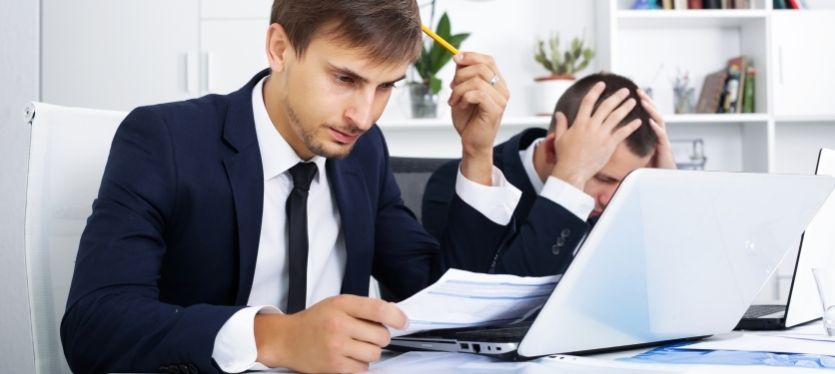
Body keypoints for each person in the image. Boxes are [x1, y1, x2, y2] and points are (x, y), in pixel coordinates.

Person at [59, 1, 521, 373]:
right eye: (345, 78)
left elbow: (436, 299)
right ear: (280, 48)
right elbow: (93, 325)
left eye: (385, 87)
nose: (363, 116)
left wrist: (477, 154)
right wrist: (278, 338)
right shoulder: (165, 139)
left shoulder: (366, 150)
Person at [422, 73, 677, 277]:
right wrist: (570, 178)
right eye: (603, 178)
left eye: (627, 181)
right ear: (554, 149)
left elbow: (658, 285)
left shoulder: (619, 198)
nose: (611, 199)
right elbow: (493, 311)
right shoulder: (458, 185)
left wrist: (665, 191)